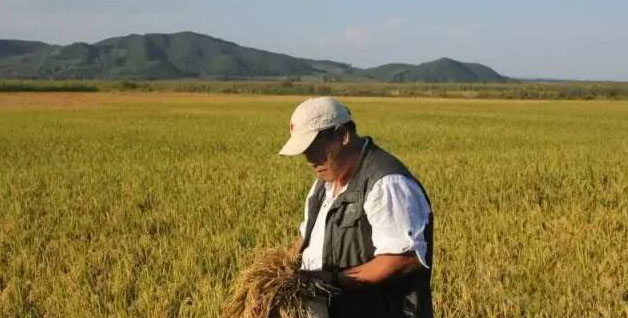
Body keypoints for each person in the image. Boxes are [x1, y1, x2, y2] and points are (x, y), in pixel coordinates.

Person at [278, 97, 434, 318]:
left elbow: (404, 259)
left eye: (315, 148)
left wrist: (336, 281)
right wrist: (278, 276)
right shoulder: (323, 184)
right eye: (306, 152)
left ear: (342, 136)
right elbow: (306, 239)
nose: (310, 160)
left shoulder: (386, 183)